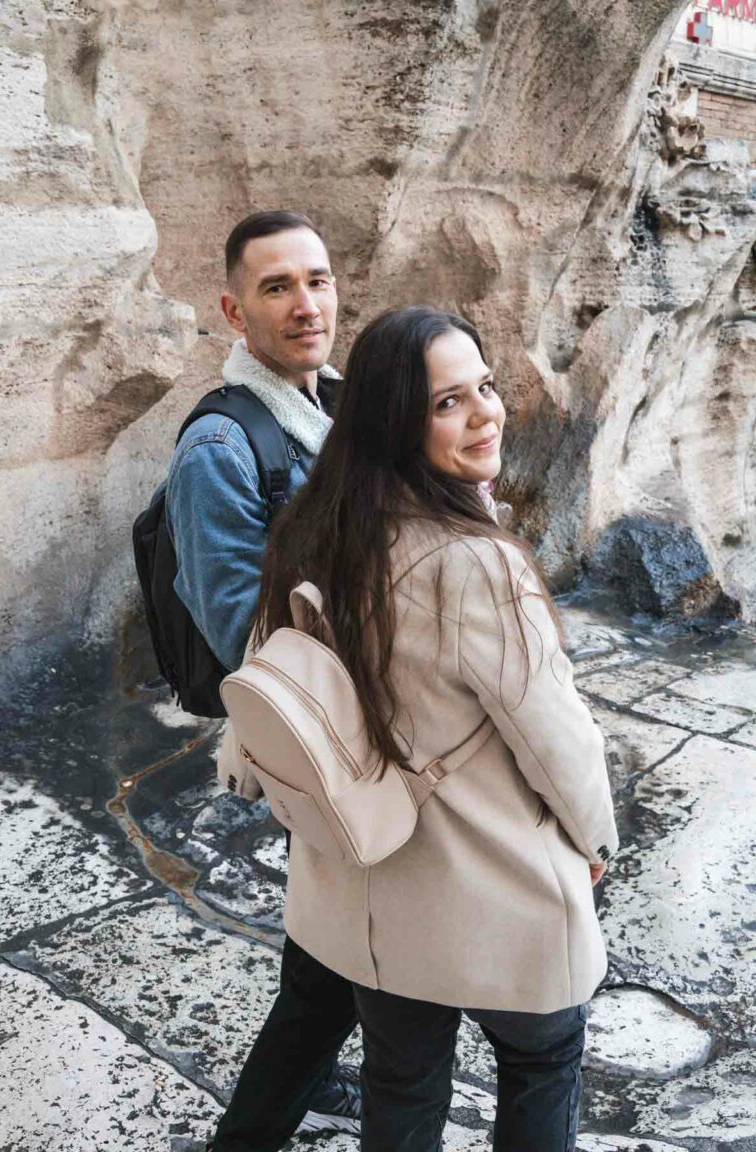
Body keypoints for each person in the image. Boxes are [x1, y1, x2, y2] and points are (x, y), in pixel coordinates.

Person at [245, 305, 620, 1151]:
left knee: (403, 1085)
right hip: (494, 889)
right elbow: (558, 741)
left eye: (484, 386)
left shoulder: (318, 528)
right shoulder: (475, 565)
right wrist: (597, 841)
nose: (487, 411)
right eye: (448, 402)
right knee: (542, 1063)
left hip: (374, 895)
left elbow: (264, 667)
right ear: (393, 422)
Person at [165, 210, 361, 1148]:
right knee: (337, 962)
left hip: (374, 717)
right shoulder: (219, 446)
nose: (304, 304)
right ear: (234, 311)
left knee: (336, 944)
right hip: (321, 731)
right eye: (276, 287)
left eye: (316, 281)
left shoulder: (340, 403)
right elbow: (241, 627)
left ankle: (313, 1079)